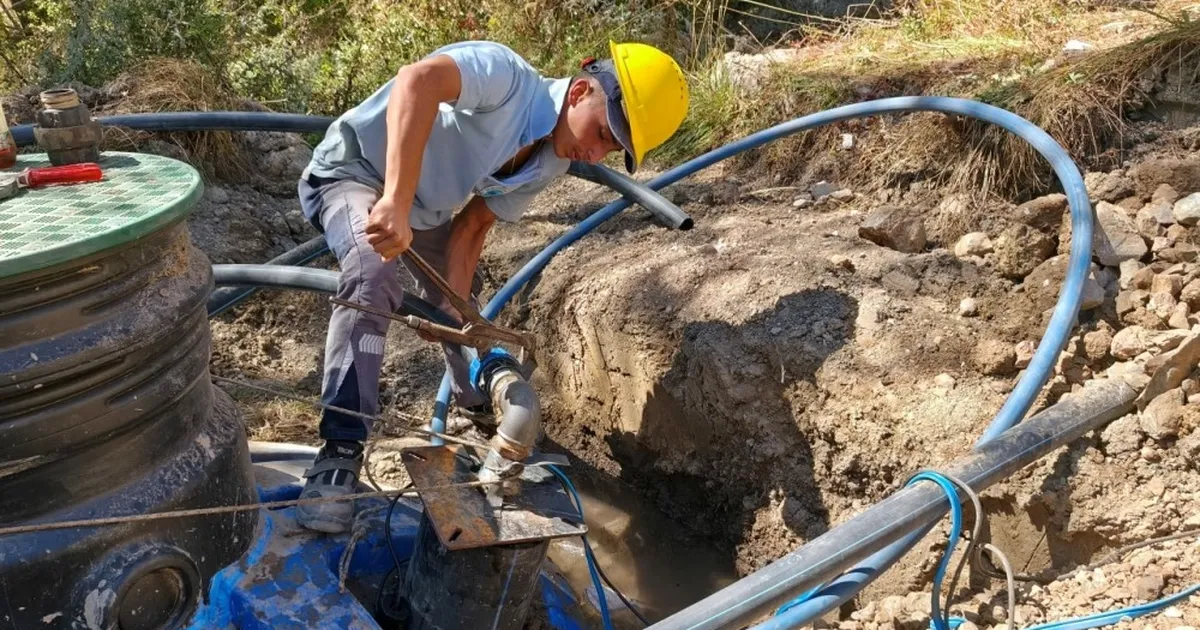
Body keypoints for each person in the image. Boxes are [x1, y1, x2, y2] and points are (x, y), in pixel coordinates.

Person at [294, 39, 689, 533]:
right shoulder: (505, 77)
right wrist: (393, 199)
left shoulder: (549, 162)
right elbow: (417, 79)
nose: (597, 153)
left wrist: (453, 316)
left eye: (612, 149)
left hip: (422, 214)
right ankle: (339, 452)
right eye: (604, 133)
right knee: (373, 271)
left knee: (466, 315)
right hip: (355, 176)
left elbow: (471, 231)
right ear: (580, 91)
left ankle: (488, 417)